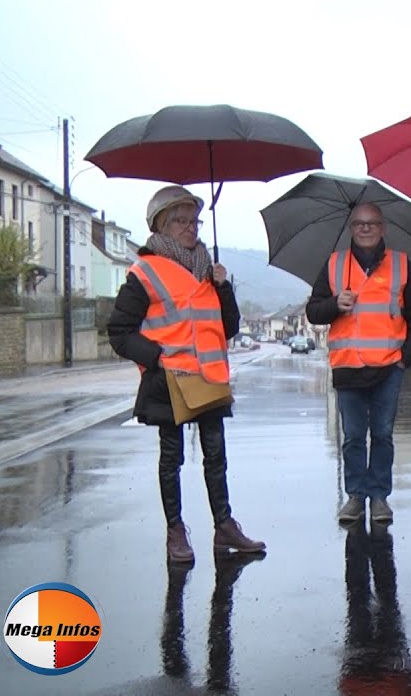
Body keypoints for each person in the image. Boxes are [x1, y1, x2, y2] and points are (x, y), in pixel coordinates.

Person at [108, 185, 265, 562]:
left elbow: (228, 327)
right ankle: (175, 532)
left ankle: (223, 526)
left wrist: (223, 287)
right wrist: (155, 357)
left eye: (195, 220)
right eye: (181, 220)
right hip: (169, 379)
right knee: (172, 457)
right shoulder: (145, 271)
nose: (191, 227)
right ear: (162, 224)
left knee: (216, 454)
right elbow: (119, 332)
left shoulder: (209, 271)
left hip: (209, 376)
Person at [306, 204, 411, 525]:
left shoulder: (402, 265)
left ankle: (379, 497)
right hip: (348, 366)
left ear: (383, 228)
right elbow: (314, 312)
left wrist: (407, 357)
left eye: (372, 223)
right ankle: (355, 496)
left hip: (389, 366)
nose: (366, 229)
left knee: (383, 434)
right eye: (359, 224)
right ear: (351, 228)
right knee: (352, 436)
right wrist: (336, 304)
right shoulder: (335, 265)